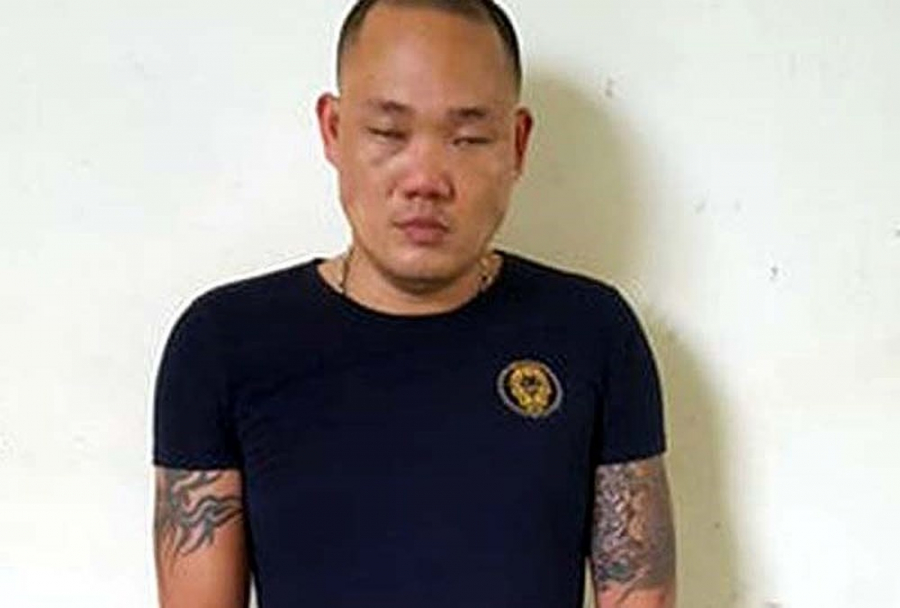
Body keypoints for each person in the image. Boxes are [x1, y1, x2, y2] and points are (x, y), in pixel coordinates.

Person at [152, 1, 676, 607]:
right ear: (333, 130)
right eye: (388, 132)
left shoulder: (592, 333)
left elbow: (640, 593)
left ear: (517, 143)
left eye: (468, 138)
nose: (425, 179)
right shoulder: (224, 344)